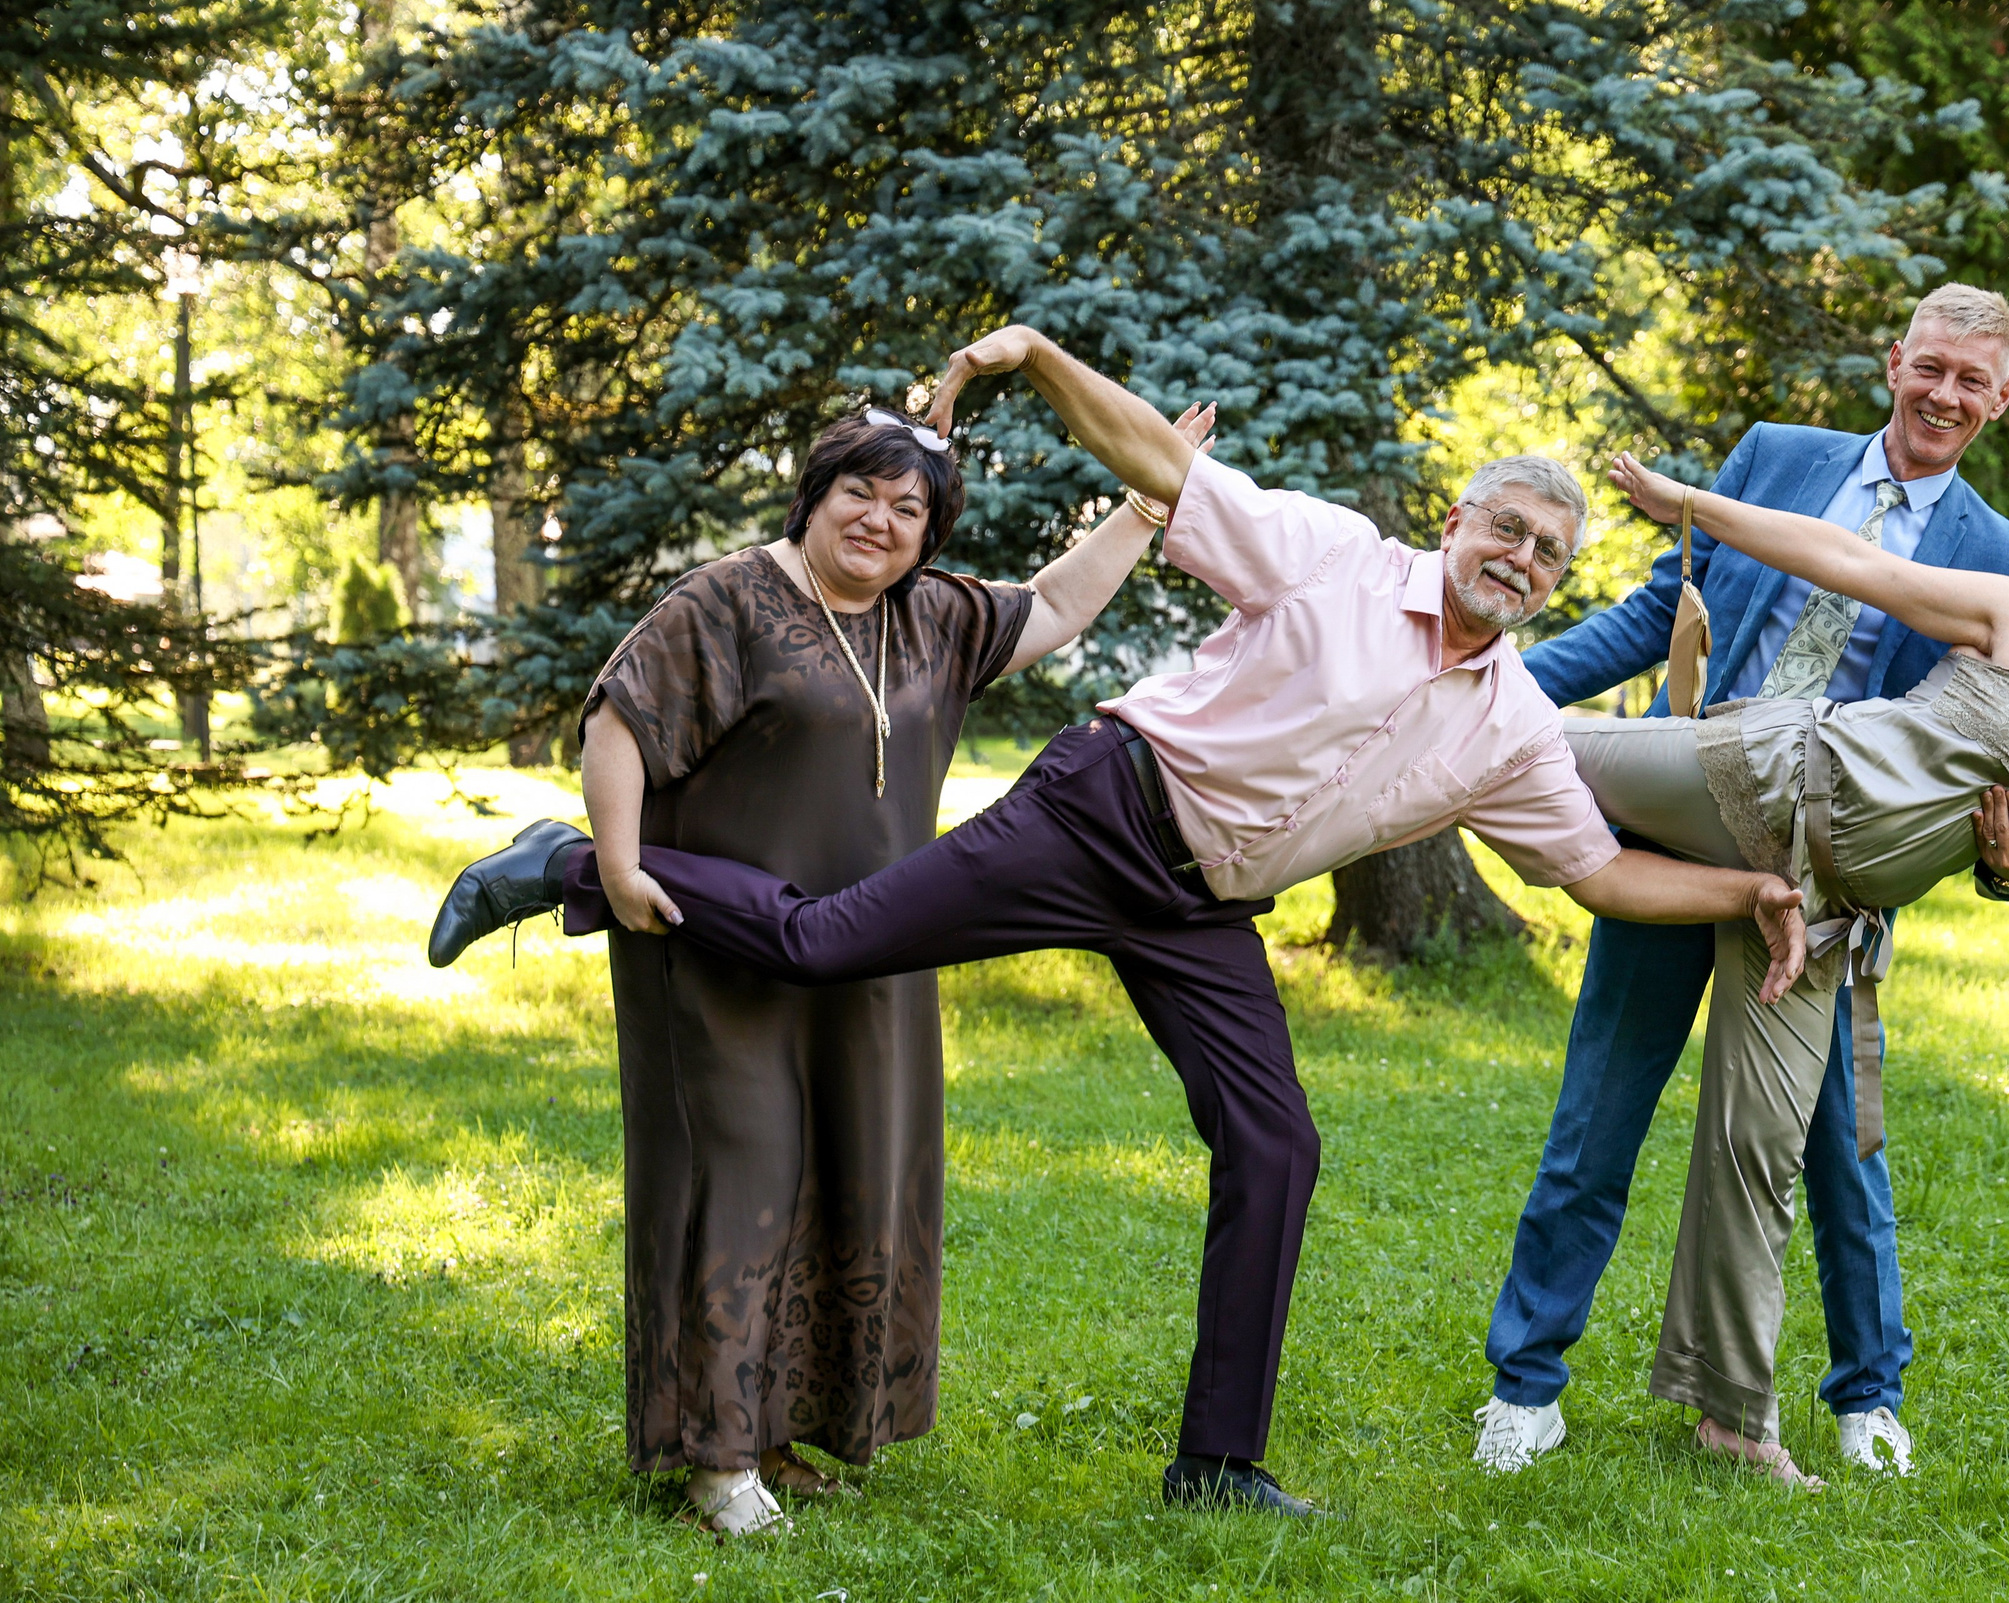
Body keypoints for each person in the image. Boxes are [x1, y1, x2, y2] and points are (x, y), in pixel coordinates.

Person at [428, 324, 1813, 1518]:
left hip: (1204, 907)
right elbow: (1164, 467)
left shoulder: (1514, 722)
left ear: (1561, 578)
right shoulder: (1332, 553)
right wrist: (1031, 357)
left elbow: (1595, 873)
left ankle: (1218, 1460)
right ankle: (564, 865)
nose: (1521, 556)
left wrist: (1748, 888)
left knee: (1277, 1145)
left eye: (1550, 551)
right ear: (1457, 519)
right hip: (1101, 807)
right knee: (823, 940)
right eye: (1506, 527)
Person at [428, 402, 1200, 1537]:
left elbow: (1059, 605)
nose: (880, 522)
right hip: (715, 948)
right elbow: (621, 722)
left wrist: (1145, 501)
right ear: (817, 491)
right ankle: (717, 1459)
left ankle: (780, 1435)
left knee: (850, 1178)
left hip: (874, 956)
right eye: (861, 494)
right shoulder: (730, 599)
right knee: (739, 1182)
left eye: (909, 509)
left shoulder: (933, 618)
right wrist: (626, 863)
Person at [1555, 450, 2009, 1489]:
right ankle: (1345, 739)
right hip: (1764, 774)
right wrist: (1688, 507)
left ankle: (1730, 1417)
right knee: (1529, 744)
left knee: (1760, 1152)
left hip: (1815, 915)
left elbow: (2002, 861)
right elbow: (1847, 561)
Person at [1476, 284, 2009, 1482]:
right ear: (1892, 362)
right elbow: (1656, 617)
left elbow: (1985, 763)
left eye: (1971, 381)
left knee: (1843, 1149)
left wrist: (2007, 869)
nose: (1943, 395)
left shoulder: (2000, 560)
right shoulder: (1775, 461)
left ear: (2000, 400)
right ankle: (1526, 1387)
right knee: (1599, 1114)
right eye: (1929, 367)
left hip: (1827, 876)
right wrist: (1492, 691)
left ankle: (1868, 1397)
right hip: (1678, 825)